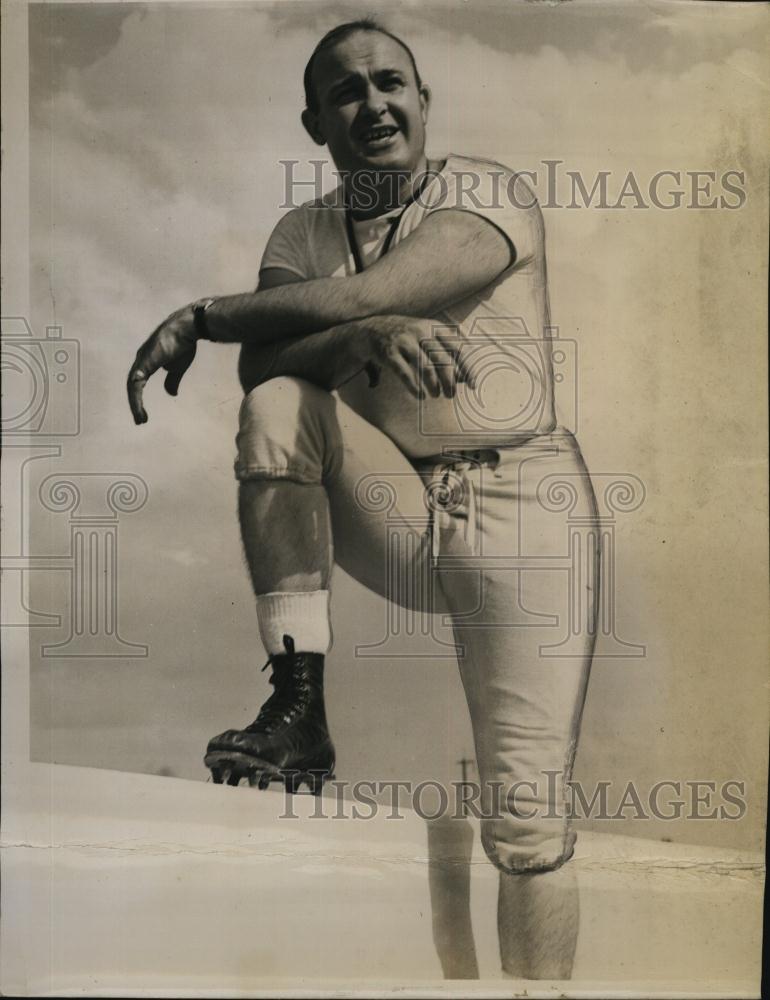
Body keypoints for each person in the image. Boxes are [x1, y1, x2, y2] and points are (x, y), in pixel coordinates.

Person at [127, 18, 600, 981]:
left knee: (526, 820)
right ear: (315, 123)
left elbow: (369, 292)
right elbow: (268, 361)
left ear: (425, 104)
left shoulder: (482, 191)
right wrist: (356, 335)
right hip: (404, 504)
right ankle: (299, 708)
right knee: (277, 400)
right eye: (346, 92)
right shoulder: (302, 231)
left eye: (392, 84)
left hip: (525, 511)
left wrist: (201, 315)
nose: (374, 104)